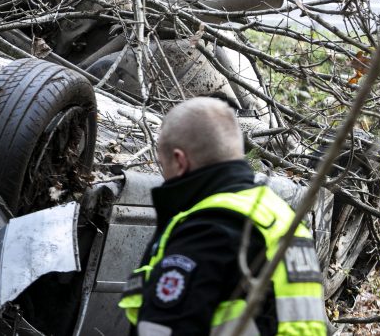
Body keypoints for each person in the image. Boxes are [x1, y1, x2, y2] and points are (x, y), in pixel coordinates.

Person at [118, 97, 329, 336]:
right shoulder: (281, 217)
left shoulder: (210, 228)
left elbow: (164, 328)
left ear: (179, 160)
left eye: (162, 164)